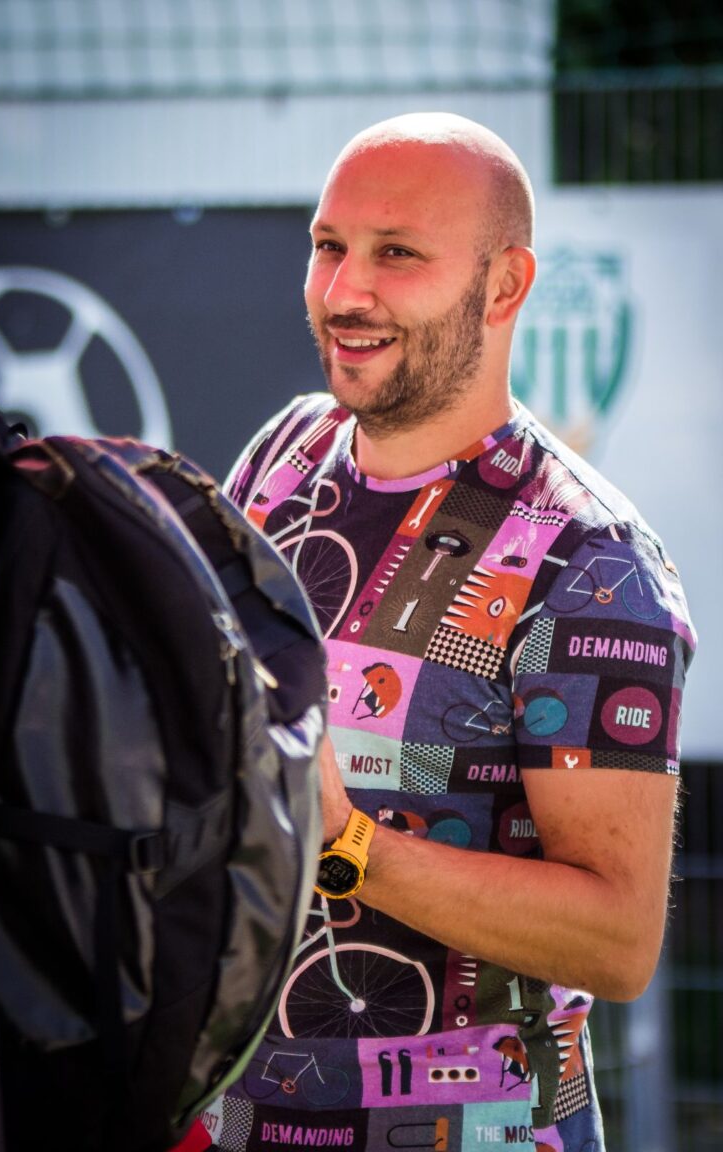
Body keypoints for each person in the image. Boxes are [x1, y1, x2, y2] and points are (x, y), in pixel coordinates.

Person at [180, 112, 696, 1152]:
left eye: (398, 255)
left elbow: (617, 940)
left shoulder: (591, 564)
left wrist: (346, 843)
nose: (344, 292)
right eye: (329, 246)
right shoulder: (286, 450)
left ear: (505, 286)